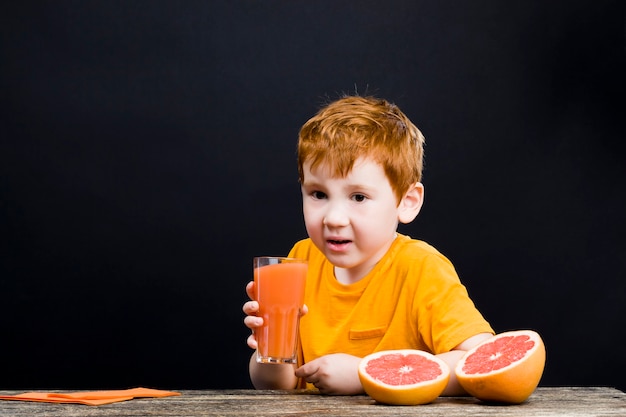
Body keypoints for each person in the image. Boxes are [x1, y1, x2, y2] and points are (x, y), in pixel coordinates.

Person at [243, 95, 494, 396]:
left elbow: (482, 362)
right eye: (318, 194)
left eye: (358, 197)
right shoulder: (300, 260)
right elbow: (279, 384)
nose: (334, 218)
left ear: (407, 203)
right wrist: (268, 346)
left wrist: (367, 374)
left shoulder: (421, 269)